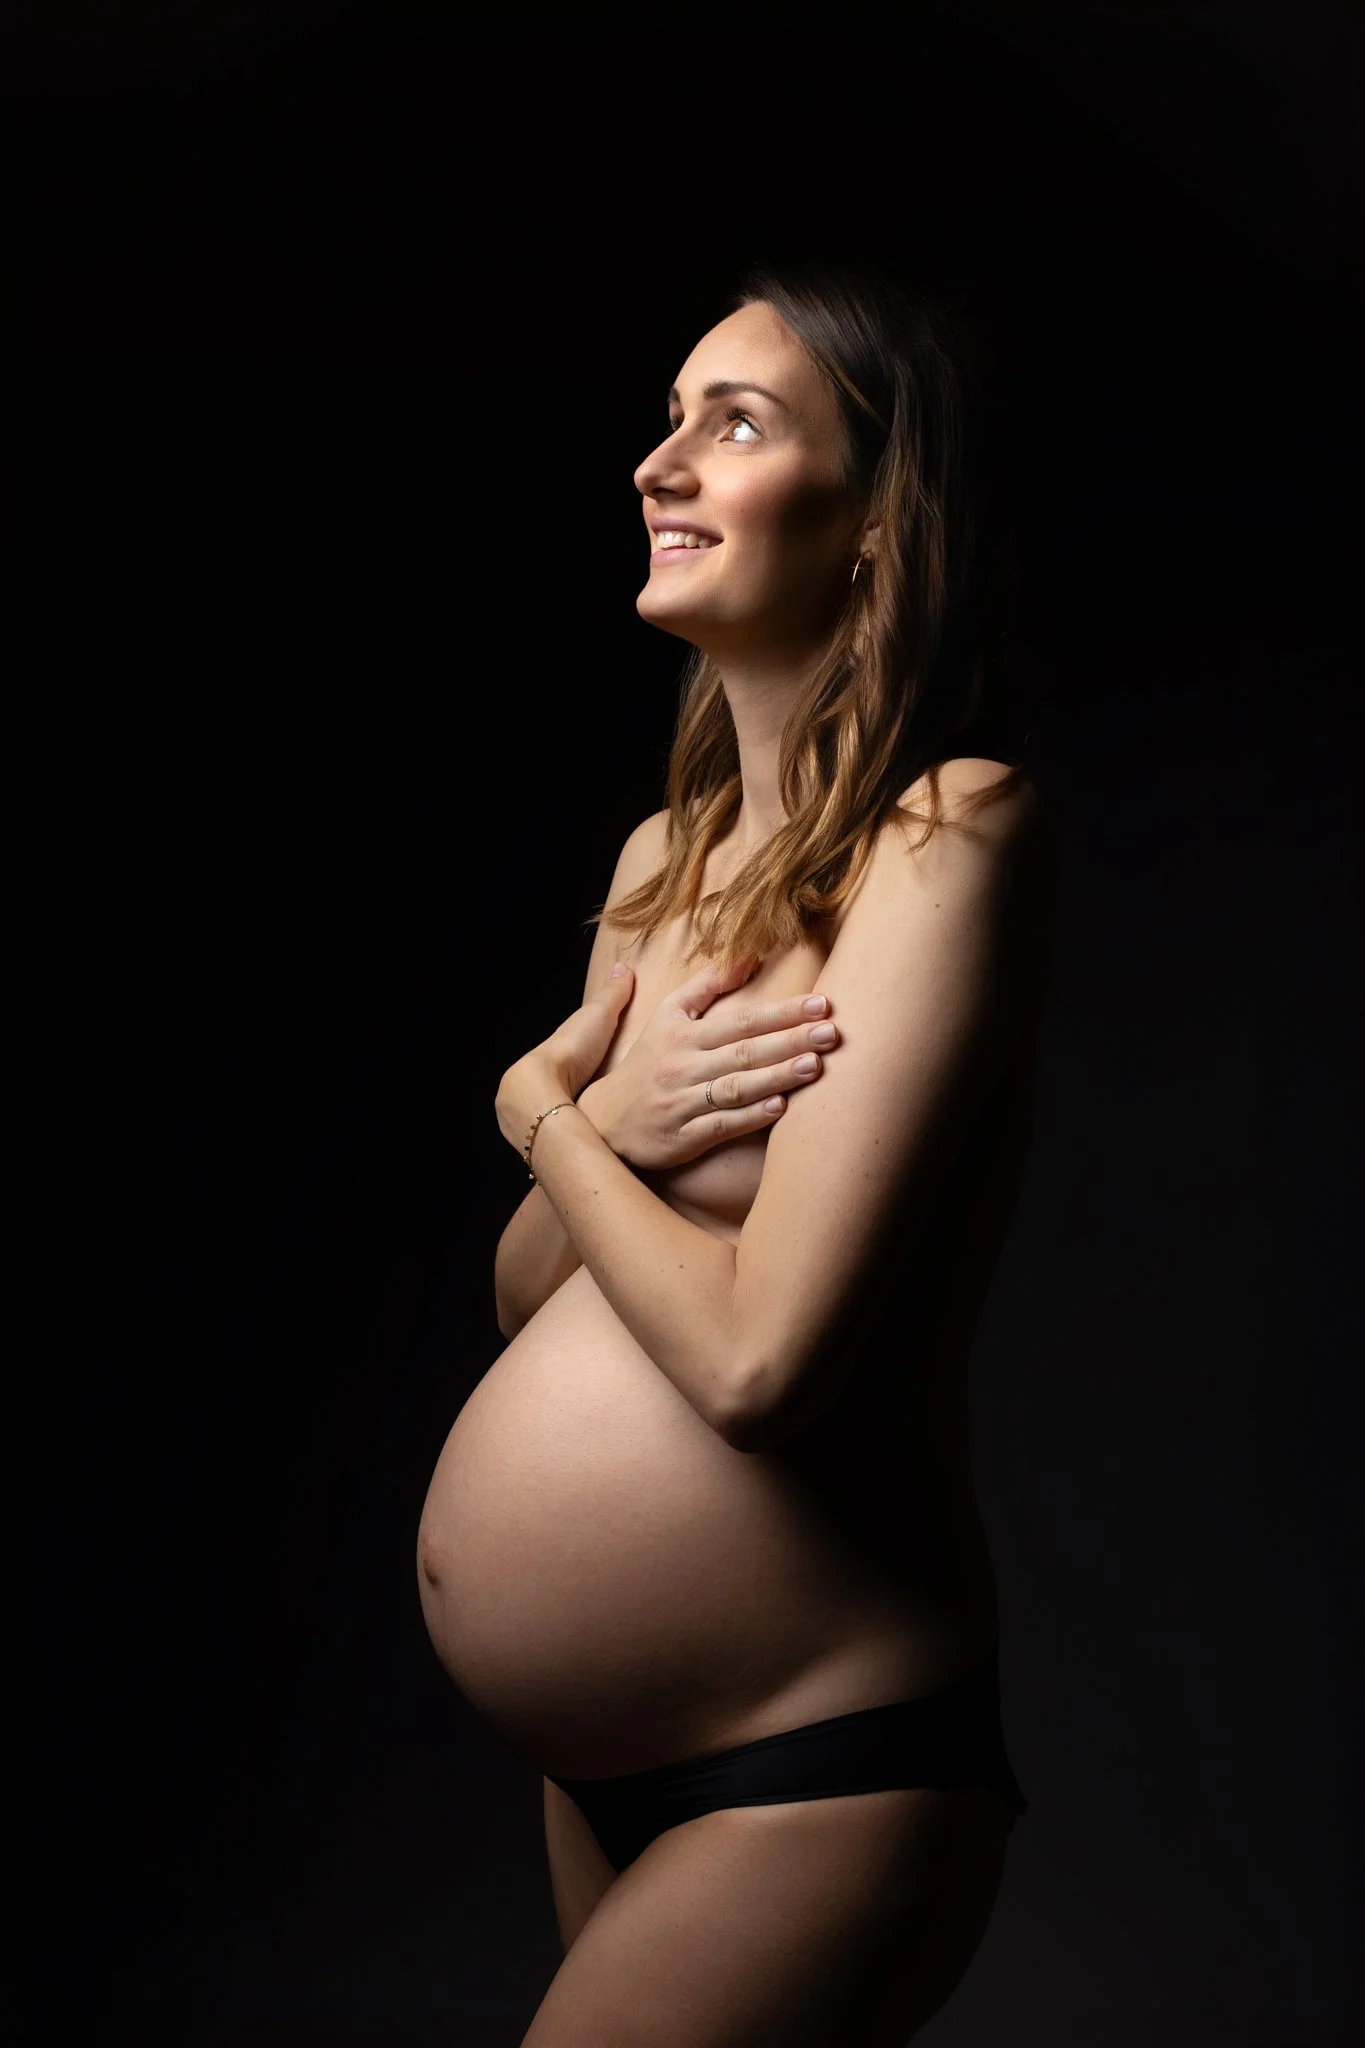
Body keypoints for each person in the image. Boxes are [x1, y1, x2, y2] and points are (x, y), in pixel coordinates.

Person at [417, 264, 1053, 2046]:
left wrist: (542, 1113)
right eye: (672, 414)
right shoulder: (659, 862)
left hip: (818, 1755)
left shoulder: (950, 834)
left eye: (738, 423)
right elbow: (532, 1295)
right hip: (604, 1769)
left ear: (875, 519)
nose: (658, 462)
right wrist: (611, 1129)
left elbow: (759, 1366)